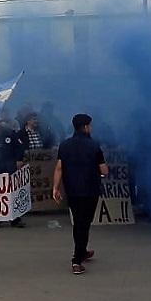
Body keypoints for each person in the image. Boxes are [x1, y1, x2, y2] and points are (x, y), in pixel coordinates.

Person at [52, 114, 108, 275]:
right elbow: (104, 170)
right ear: (85, 127)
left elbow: (59, 168)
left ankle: (82, 251)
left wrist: (55, 187)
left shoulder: (64, 145)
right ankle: (77, 260)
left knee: (79, 222)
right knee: (83, 224)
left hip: (72, 190)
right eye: (90, 126)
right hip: (90, 190)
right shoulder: (94, 146)